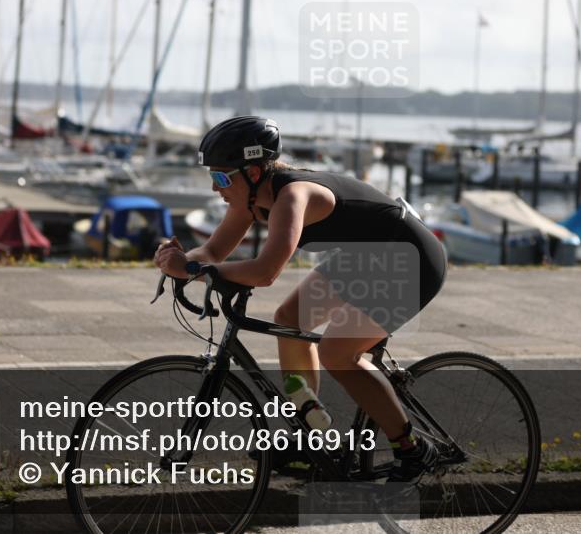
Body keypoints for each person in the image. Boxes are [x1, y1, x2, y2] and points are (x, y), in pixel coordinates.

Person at [154, 116, 448, 481]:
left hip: (410, 260)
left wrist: (200, 272)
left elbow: (265, 271)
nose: (216, 188)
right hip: (366, 256)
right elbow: (213, 250)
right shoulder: (249, 198)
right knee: (287, 318)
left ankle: (413, 449)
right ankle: (315, 436)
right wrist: (176, 262)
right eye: (213, 177)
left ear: (256, 171)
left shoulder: (293, 196)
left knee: (337, 352)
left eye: (222, 177)